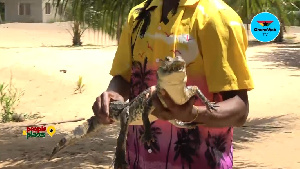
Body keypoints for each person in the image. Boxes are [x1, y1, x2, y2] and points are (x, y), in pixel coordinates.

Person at [92, 0, 254, 168]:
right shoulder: (139, 15)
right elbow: (124, 77)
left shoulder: (218, 18)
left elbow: (239, 110)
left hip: (202, 162)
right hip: (138, 161)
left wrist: (193, 114)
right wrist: (113, 94)